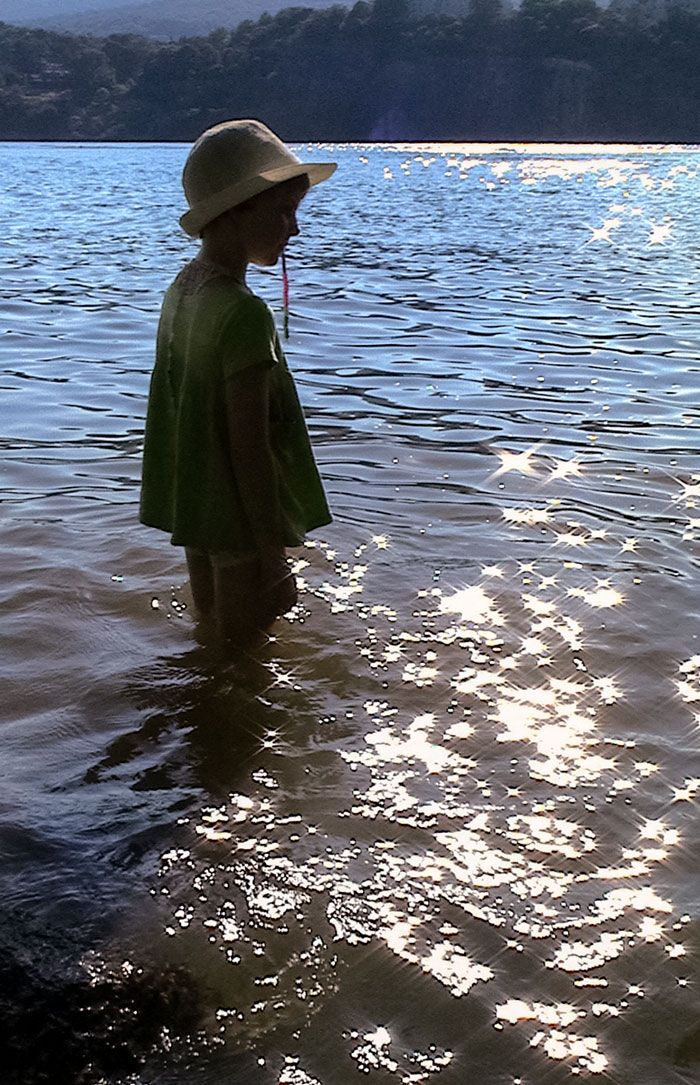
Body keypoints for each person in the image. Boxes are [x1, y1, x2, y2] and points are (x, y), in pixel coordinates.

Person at [140, 119, 337, 647]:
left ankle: (195, 718)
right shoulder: (244, 314)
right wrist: (273, 557)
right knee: (246, 661)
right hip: (240, 521)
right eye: (283, 211)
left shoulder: (182, 291)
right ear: (236, 210)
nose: (293, 229)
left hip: (199, 508)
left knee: (213, 636)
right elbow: (249, 445)